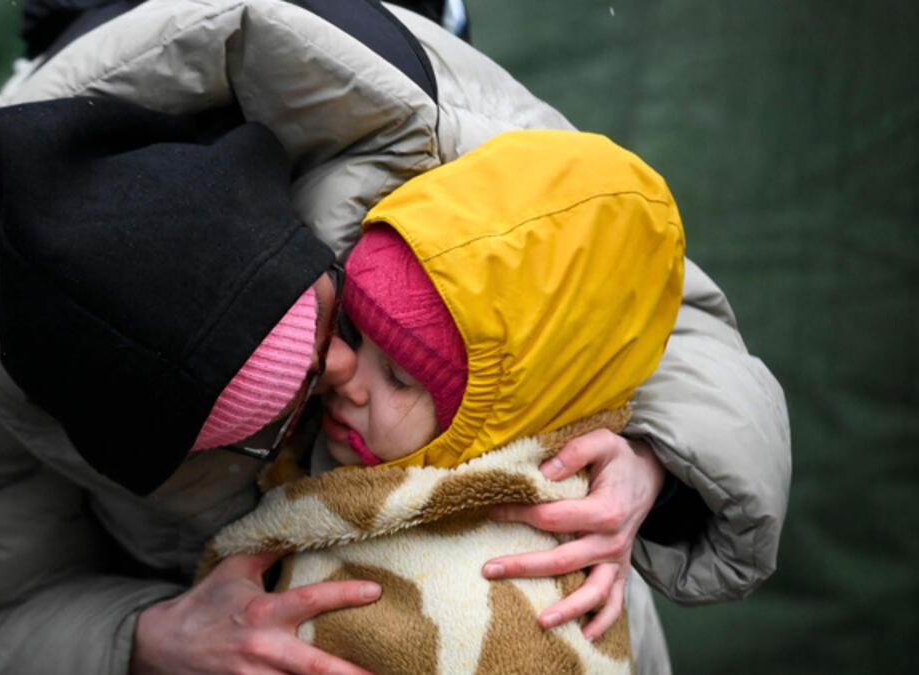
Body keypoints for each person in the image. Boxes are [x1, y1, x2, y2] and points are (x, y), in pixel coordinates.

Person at [0, 2, 790, 674]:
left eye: (336, 327)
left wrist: (653, 460)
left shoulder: (406, 113)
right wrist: (144, 639)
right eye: (279, 411)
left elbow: (652, 288)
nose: (341, 378)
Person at [206, 129, 684, 674]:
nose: (345, 375)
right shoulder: (356, 446)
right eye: (353, 331)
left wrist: (653, 461)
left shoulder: (520, 595)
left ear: (500, 416)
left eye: (398, 378)